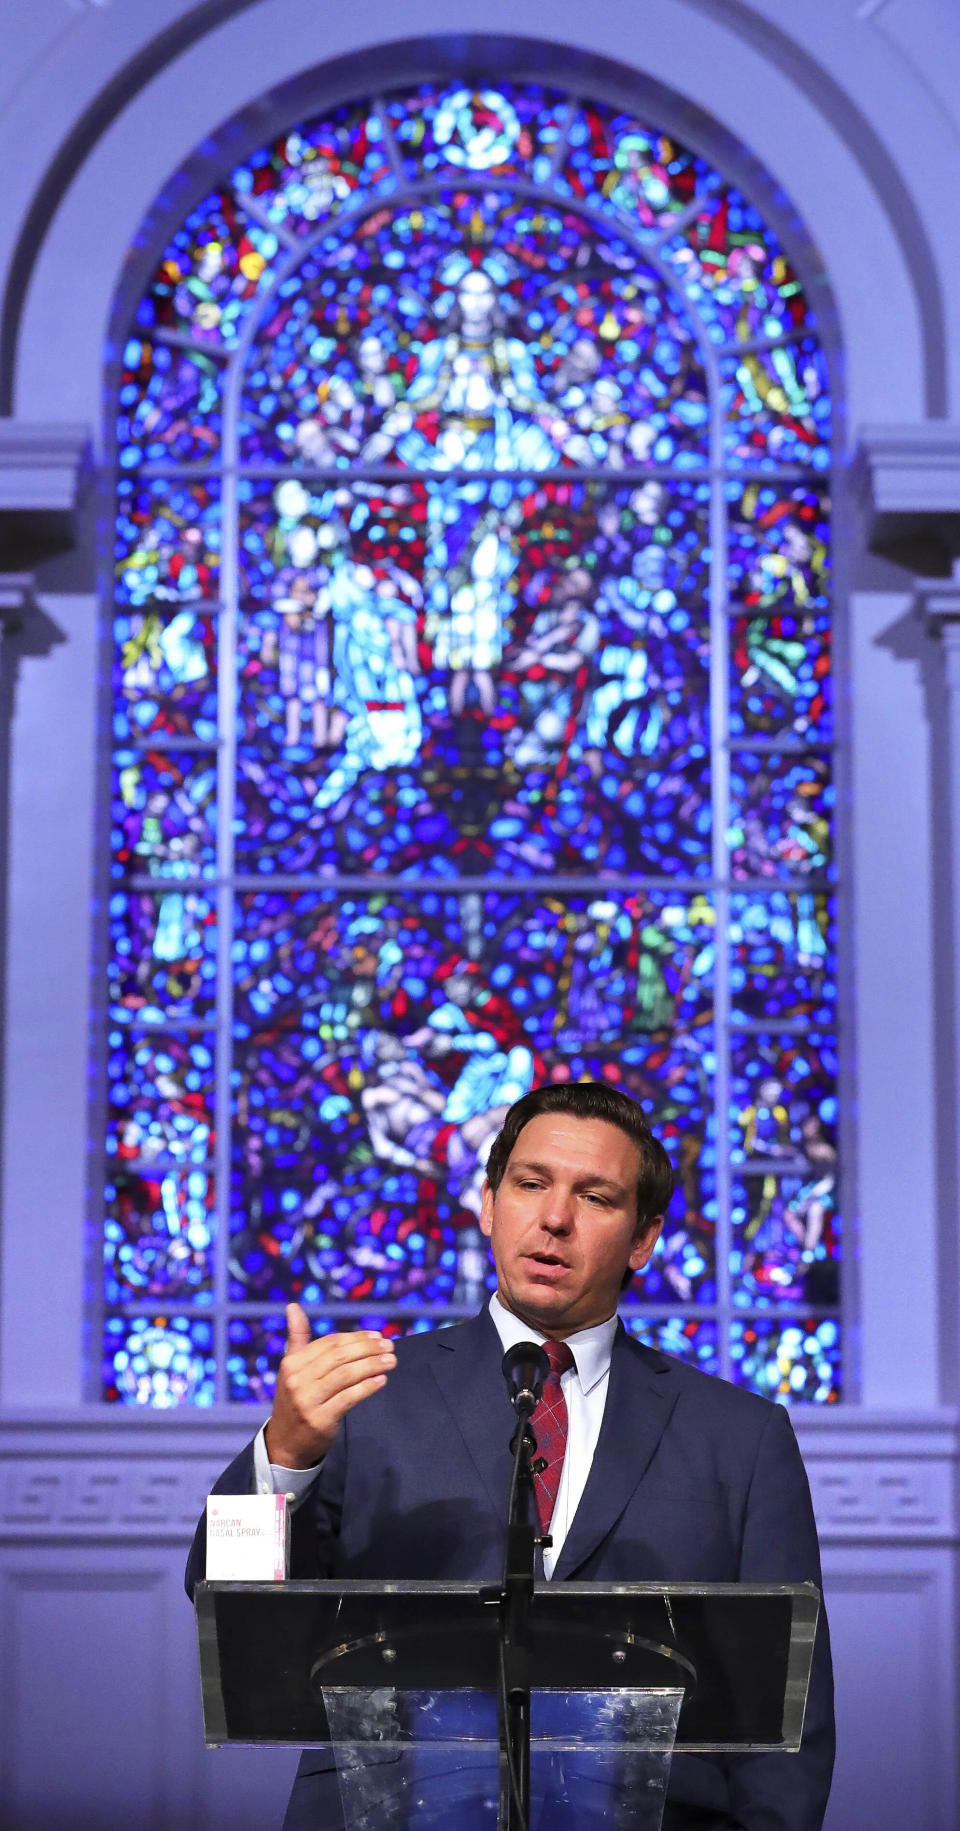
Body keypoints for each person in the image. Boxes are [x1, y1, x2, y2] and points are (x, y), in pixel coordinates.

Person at [186, 1081, 834, 1829]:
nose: (555, 1218)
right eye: (530, 1184)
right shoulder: (366, 1394)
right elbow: (225, 1604)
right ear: (489, 1204)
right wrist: (286, 1453)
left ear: (644, 1238)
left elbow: (795, 1710)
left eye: (595, 1197)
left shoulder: (741, 1436)